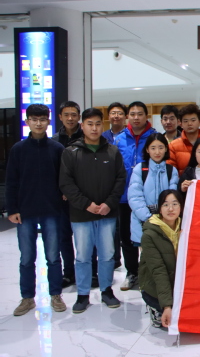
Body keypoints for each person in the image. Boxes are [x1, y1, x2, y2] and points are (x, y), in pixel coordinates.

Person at [60, 108, 126, 313]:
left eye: (98, 124)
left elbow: (120, 179)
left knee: (107, 254)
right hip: (81, 214)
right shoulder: (71, 152)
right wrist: (86, 204)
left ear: (102, 125)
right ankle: (82, 294)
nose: (94, 128)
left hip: (107, 213)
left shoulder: (112, 151)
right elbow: (66, 183)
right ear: (82, 126)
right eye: (90, 124)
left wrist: (109, 203)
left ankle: (107, 291)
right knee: (83, 256)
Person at [6, 104, 67, 316]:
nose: (38, 123)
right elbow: (11, 181)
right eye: (34, 119)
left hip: (52, 210)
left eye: (42, 119)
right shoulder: (18, 149)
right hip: (25, 211)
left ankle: (56, 295)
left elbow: (63, 179)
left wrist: (63, 200)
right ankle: (27, 298)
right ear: (27, 122)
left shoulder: (57, 149)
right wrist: (12, 209)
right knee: (26, 258)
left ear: (49, 121)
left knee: (53, 256)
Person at [115, 101, 157, 292]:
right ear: (127, 117)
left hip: (148, 197)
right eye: (132, 114)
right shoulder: (119, 139)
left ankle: (149, 273)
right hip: (124, 197)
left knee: (150, 236)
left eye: (140, 114)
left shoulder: (154, 137)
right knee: (127, 237)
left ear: (146, 116)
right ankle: (132, 273)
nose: (136, 117)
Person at [139, 189, 183, 328]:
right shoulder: (149, 235)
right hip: (156, 286)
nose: (170, 209)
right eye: (165, 204)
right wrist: (167, 306)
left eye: (175, 204)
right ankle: (156, 308)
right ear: (159, 208)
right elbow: (158, 271)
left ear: (181, 207)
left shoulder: (186, 227)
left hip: (178, 283)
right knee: (172, 312)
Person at [127, 133, 179, 247]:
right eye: (153, 148)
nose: (157, 152)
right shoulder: (140, 169)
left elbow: (173, 197)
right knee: (147, 255)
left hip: (166, 222)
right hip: (143, 222)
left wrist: (164, 218)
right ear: (147, 150)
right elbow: (134, 197)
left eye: (161, 147)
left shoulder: (171, 170)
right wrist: (148, 218)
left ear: (166, 149)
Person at [51, 101, 81, 288]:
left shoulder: (86, 137)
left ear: (79, 117)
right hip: (61, 198)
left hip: (83, 197)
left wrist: (74, 192)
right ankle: (68, 272)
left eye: (74, 115)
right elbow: (54, 171)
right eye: (66, 115)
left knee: (85, 237)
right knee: (64, 236)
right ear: (60, 117)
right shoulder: (54, 141)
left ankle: (89, 272)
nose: (70, 118)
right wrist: (63, 191)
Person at [167, 104, 200, 175]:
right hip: (182, 181)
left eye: (193, 120)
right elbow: (171, 172)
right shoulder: (173, 146)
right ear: (180, 124)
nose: (189, 124)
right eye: (185, 121)